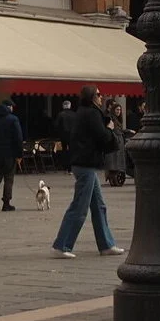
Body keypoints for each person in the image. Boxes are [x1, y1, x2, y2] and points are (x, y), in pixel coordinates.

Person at [50, 85, 124, 258]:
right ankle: (61, 246)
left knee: (99, 206)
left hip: (84, 163)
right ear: (92, 97)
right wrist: (111, 129)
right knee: (79, 206)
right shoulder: (91, 113)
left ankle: (106, 245)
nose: (101, 97)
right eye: (98, 94)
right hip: (85, 164)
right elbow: (102, 136)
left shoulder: (84, 112)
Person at [0, 99, 23, 212]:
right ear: (8, 107)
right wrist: (19, 154)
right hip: (9, 154)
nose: (12, 108)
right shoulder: (13, 119)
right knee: (8, 178)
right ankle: (6, 203)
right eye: (12, 106)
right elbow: (18, 138)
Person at [53, 99, 74, 170]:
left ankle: (65, 166)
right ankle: (71, 167)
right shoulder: (74, 114)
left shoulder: (60, 114)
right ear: (70, 106)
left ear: (63, 106)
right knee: (72, 150)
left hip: (63, 135)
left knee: (64, 150)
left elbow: (56, 125)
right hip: (72, 135)